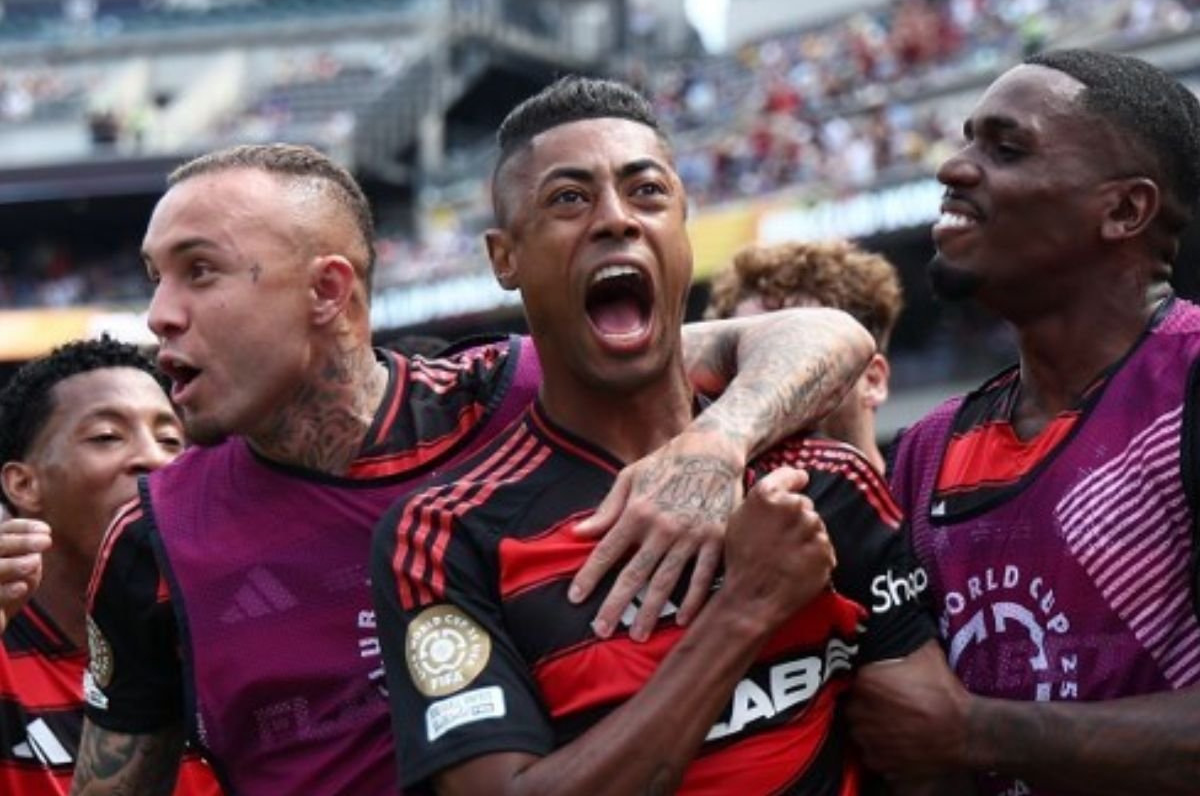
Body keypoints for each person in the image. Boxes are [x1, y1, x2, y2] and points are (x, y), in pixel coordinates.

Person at [58, 142, 871, 795]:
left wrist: (718, 439)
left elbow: (826, 337)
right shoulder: (153, 539)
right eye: (153, 278)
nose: (159, 313)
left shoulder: (517, 390)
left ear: (327, 290)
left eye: (198, 271)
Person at [371, 75, 941, 795]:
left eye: (647, 192)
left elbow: (928, 748)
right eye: (569, 199)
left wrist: (719, 442)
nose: (616, 219)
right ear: (503, 257)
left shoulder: (823, 480)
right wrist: (746, 612)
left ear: (683, 224)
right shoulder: (446, 537)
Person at [849, 49, 1200, 795]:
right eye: (968, 138)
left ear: (1124, 211)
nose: (954, 167)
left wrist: (972, 732)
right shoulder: (928, 446)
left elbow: (937, 727)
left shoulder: (1186, 389)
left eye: (1005, 149)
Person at [0, 337, 219, 795]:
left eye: (171, 440)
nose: (155, 460)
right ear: (23, 484)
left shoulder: (226, 644)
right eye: (107, 436)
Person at [705, 238, 903, 473]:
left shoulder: (921, 503)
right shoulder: (703, 505)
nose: (770, 384)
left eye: (799, 356)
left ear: (872, 380)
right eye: (748, 361)